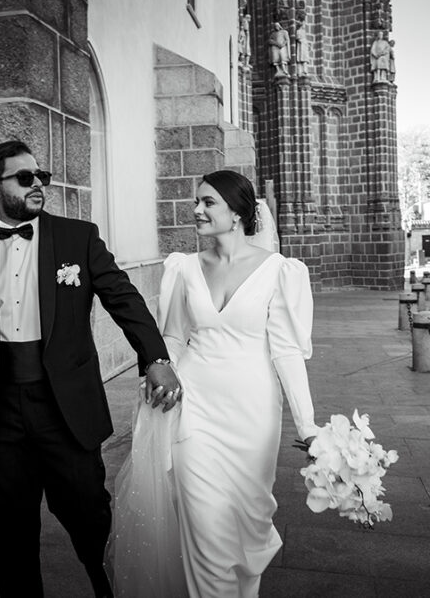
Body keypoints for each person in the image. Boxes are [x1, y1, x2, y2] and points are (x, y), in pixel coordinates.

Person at [0, 140, 180, 598]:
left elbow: (124, 299)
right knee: (10, 533)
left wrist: (157, 359)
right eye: (24, 177)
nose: (38, 185)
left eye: (40, 177)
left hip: (64, 407)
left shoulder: (78, 237)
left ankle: (109, 590)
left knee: (90, 519)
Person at [109, 170, 317, 597]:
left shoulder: (279, 271)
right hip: (195, 411)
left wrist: (309, 425)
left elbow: (286, 352)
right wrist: (158, 371)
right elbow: (172, 337)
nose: (197, 210)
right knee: (206, 532)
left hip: (254, 414)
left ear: (237, 212)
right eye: (196, 202)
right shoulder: (183, 268)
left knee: (247, 529)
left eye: (208, 202)